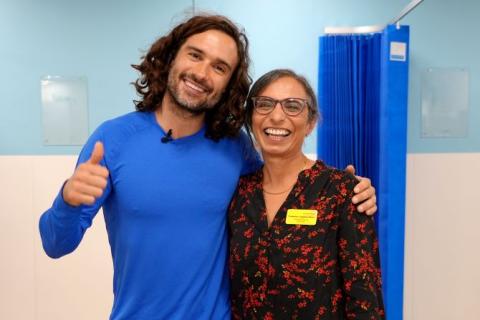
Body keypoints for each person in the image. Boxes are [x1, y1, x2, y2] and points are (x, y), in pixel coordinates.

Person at [39, 15, 377, 320]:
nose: (202, 73)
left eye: (219, 67)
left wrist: (346, 189)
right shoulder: (112, 141)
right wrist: (67, 201)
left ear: (228, 84)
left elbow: (283, 179)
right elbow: (56, 245)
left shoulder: (234, 148)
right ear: (171, 57)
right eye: (195, 55)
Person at [229, 69, 384, 319]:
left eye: (292, 106)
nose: (277, 116)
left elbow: (366, 300)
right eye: (265, 104)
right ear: (250, 118)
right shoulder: (239, 193)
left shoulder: (342, 192)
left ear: (311, 123)